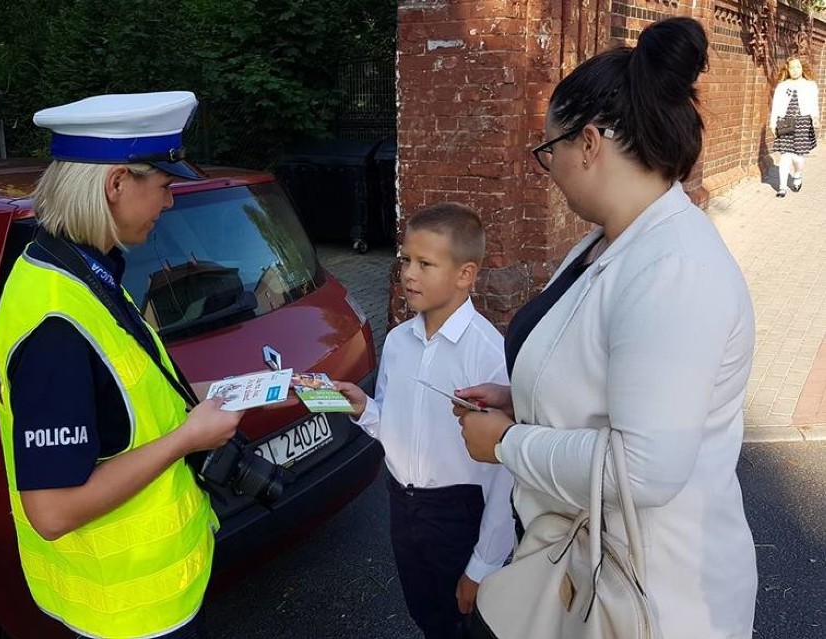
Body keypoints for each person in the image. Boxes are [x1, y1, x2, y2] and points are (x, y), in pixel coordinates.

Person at [454, 17, 758, 639]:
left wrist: (507, 444)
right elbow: (602, 378)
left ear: (589, 142)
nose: (549, 168)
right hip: (580, 566)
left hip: (647, 596)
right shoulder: (607, 243)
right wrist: (523, 402)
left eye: (549, 151)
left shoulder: (674, 269)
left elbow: (643, 469)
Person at [0, 92, 243, 639]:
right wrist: (186, 439)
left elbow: (120, 395)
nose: (170, 203)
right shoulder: (56, 320)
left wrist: (208, 394)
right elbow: (51, 511)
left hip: (150, 604)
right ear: (116, 184)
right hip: (125, 617)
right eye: (166, 186)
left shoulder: (83, 269)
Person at [334, 203, 514, 639]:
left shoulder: (488, 352)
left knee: (468, 621)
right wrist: (366, 412)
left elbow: (507, 474)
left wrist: (484, 563)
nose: (408, 274)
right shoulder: (398, 341)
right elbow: (400, 426)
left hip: (459, 513)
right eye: (405, 261)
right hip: (404, 506)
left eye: (425, 264)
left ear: (465, 274)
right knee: (426, 613)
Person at [769, 56, 820, 197]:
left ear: (802, 68)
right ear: (788, 69)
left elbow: (814, 104)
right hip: (785, 121)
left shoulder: (810, 85)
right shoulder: (782, 86)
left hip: (803, 122)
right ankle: (782, 187)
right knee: (785, 155)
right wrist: (773, 123)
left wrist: (815, 118)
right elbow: (776, 106)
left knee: (798, 157)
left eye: (798, 67)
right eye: (792, 68)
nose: (795, 70)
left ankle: (797, 174)